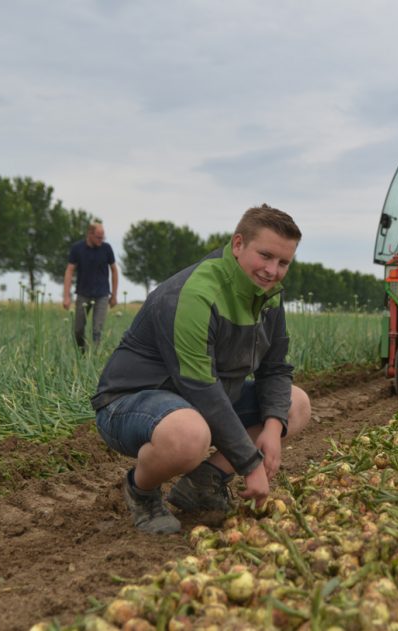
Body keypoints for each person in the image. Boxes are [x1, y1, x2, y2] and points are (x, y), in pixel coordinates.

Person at [91, 204, 312, 534]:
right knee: (189, 434)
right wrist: (251, 464)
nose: (272, 270)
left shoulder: (268, 296)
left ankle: (203, 483)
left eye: (283, 263)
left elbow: (276, 369)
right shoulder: (193, 295)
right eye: (265, 256)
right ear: (238, 245)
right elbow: (201, 387)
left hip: (201, 400)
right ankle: (142, 492)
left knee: (294, 405)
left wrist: (272, 427)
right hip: (132, 403)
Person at [63, 221, 119, 351]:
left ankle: (94, 357)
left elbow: (114, 270)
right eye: (98, 237)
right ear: (90, 234)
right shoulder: (77, 248)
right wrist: (66, 296)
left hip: (102, 295)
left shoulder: (107, 248)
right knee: (78, 329)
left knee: (97, 330)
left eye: (103, 237)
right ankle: (82, 354)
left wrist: (114, 295)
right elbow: (69, 270)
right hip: (83, 294)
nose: (101, 240)